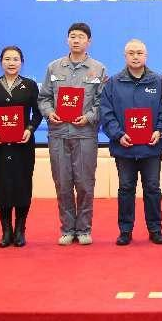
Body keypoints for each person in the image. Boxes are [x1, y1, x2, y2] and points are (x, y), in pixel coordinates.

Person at [38, 23, 107, 246]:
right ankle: (67, 229)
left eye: (81, 37)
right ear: (67, 40)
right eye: (72, 36)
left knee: (85, 183)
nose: (76, 40)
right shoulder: (54, 68)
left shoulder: (98, 69)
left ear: (89, 41)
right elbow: (44, 98)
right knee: (63, 183)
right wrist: (49, 112)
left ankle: (84, 229)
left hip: (85, 134)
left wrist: (89, 116)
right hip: (59, 134)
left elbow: (102, 102)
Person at [100, 39, 162, 245]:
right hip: (124, 148)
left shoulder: (159, 81)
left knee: (153, 189)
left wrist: (160, 130)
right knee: (125, 189)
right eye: (131, 53)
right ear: (125, 56)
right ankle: (125, 230)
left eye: (139, 53)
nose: (135, 57)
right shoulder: (113, 83)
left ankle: (155, 229)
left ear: (146, 56)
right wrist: (118, 134)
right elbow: (106, 113)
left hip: (151, 147)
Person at [0, 46, 43, 248]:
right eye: (7, 59)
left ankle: (20, 230)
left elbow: (38, 113)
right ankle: (6, 231)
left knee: (22, 185)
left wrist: (30, 129)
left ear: (22, 62)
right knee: (2, 185)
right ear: (1, 62)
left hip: (23, 145)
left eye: (15, 59)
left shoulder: (30, 85)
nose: (11, 62)